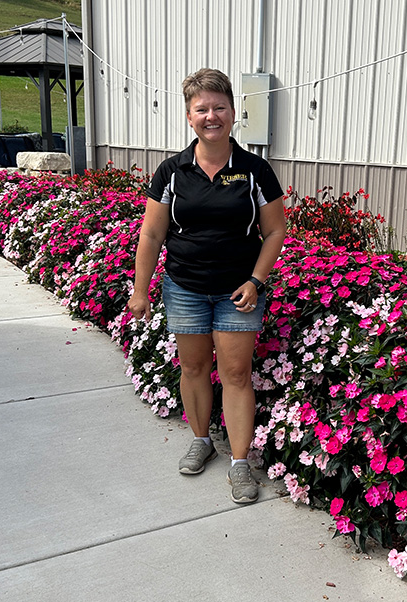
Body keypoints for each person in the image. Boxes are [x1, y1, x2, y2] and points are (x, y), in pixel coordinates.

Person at [127, 68, 286, 504]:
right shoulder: (172, 171)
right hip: (185, 287)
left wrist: (256, 280)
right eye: (201, 109)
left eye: (219, 107)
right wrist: (140, 290)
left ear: (233, 113)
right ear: (189, 116)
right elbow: (151, 234)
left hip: (239, 292)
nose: (211, 116)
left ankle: (239, 462)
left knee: (236, 374)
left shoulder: (255, 170)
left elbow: (275, 231)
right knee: (194, 369)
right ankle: (201, 440)